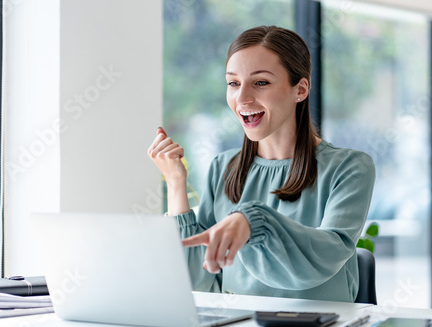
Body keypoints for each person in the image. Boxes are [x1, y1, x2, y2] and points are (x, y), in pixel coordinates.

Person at [147, 25, 375, 302]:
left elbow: (326, 256)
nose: (242, 98)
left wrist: (253, 221)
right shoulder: (223, 167)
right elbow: (197, 280)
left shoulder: (349, 168)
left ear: (300, 90)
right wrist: (175, 182)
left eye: (261, 82)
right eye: (233, 83)